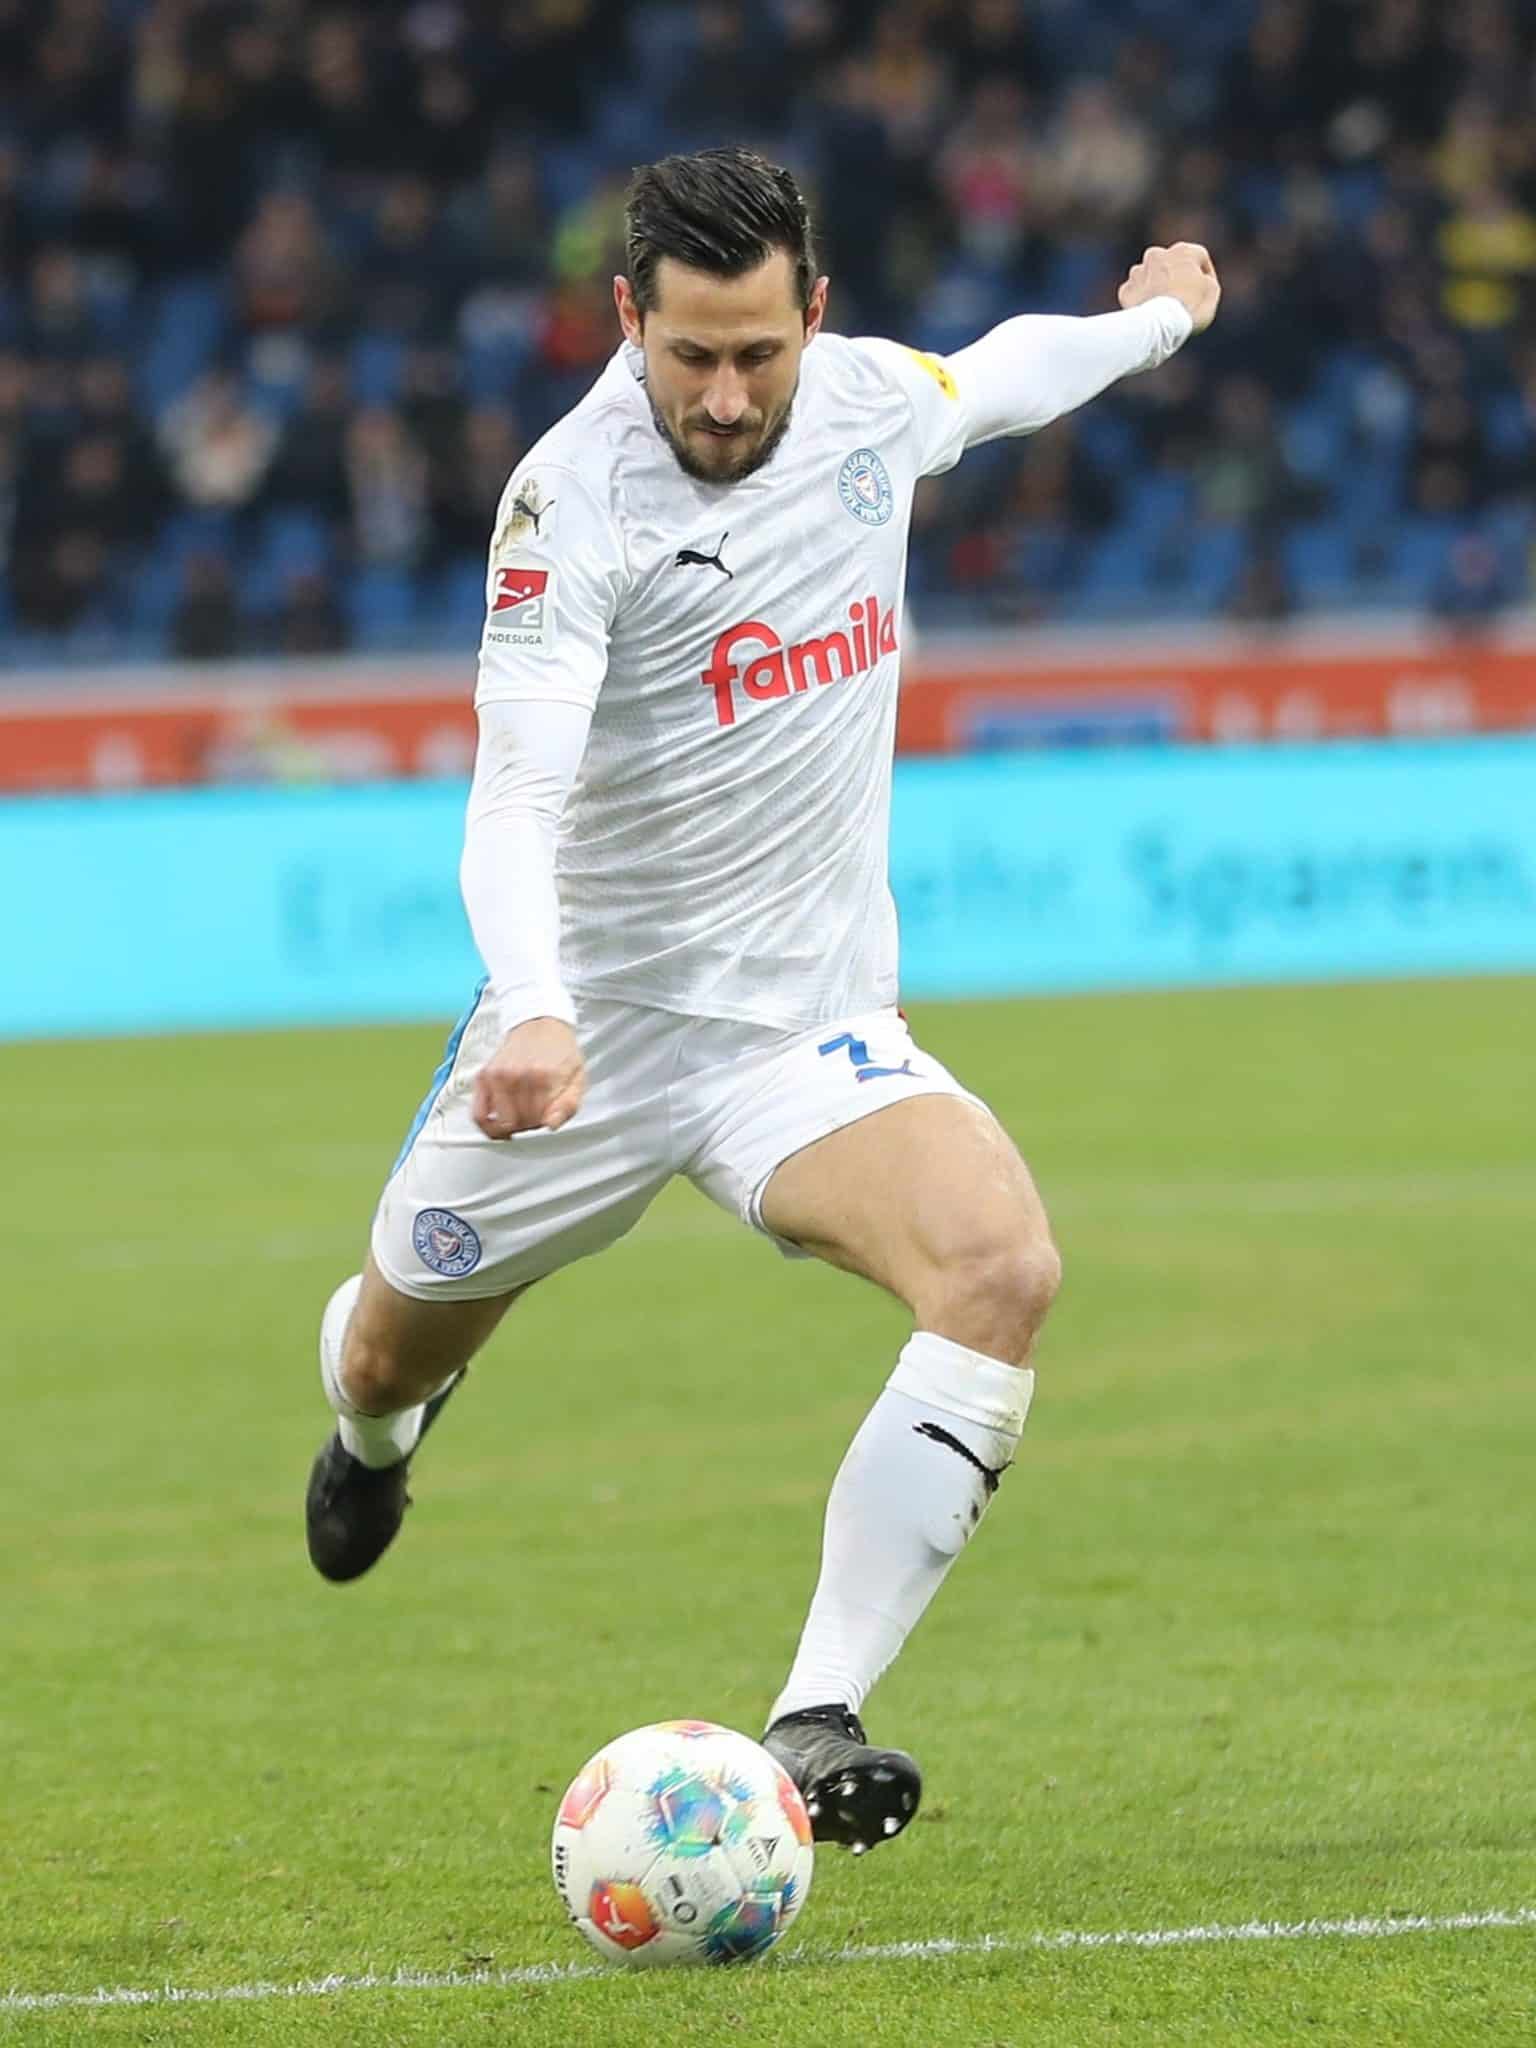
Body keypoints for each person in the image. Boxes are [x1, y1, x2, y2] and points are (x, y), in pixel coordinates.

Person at [306, 146, 1220, 1855]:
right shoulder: (565, 506)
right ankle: (375, 1430)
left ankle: (815, 1712)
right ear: (626, 319)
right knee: (387, 1333)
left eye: (758, 355)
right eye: (689, 358)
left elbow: (1008, 371)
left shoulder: (870, 409)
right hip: (590, 1043)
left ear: (815, 315)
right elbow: (511, 792)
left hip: (805, 1031)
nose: (725, 398)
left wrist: (1151, 323)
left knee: (1002, 1266)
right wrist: (532, 1004)